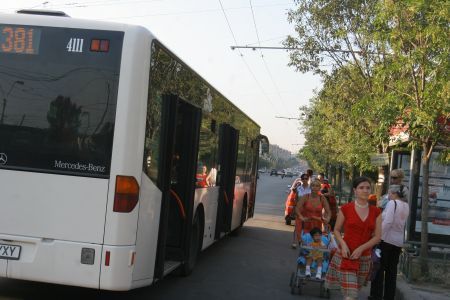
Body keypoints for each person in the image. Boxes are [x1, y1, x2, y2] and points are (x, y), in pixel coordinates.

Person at [325, 176, 382, 300]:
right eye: (361, 188)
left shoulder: (376, 212)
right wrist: (343, 245)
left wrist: (361, 248)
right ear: (355, 190)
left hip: (364, 258)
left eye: (368, 188)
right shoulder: (346, 209)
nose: (365, 190)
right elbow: (336, 230)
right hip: (346, 255)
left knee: (353, 293)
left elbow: (378, 237)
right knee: (351, 295)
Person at [369, 185, 410, 300]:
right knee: (392, 272)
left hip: (386, 240)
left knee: (379, 269)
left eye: (390, 193)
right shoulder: (406, 205)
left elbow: (388, 222)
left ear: (395, 193)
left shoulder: (393, 203)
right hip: (397, 242)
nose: (389, 196)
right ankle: (389, 296)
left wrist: (378, 236)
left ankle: (376, 295)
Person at [290, 174, 312, 248]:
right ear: (301, 180)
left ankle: (305, 241)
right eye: (303, 179)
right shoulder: (298, 188)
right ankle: (297, 241)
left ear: (308, 179)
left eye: (306, 178)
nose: (305, 180)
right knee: (298, 226)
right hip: (299, 209)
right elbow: (295, 199)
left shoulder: (311, 189)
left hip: (308, 210)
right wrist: (294, 208)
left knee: (306, 226)